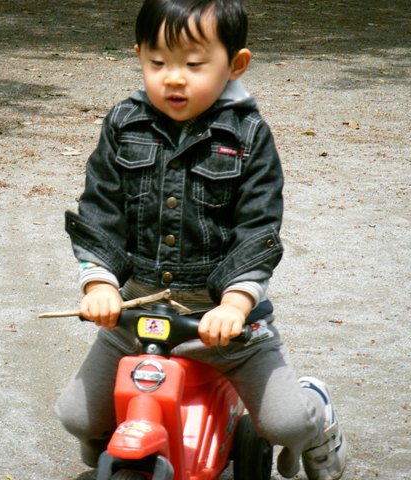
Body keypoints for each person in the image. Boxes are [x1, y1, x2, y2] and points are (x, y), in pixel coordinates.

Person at [55, 0, 346, 478]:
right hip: (137, 318)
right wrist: (100, 284)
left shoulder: (248, 136)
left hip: (222, 325)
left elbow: (258, 227)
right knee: (77, 417)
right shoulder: (124, 124)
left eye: (194, 65)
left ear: (235, 65)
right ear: (138, 55)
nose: (174, 78)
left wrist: (235, 304)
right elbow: (100, 210)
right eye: (157, 63)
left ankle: (317, 410)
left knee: (285, 422)